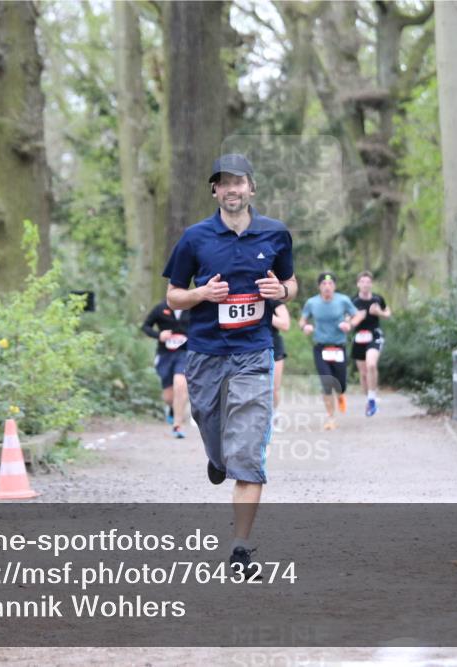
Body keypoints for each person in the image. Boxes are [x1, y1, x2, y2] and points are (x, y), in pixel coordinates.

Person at [163, 153, 297, 570]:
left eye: (239, 182)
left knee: (249, 447)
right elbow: (173, 296)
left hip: (254, 352)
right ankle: (217, 458)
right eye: (224, 183)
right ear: (215, 191)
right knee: (214, 431)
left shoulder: (276, 234)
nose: (232, 189)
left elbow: (290, 282)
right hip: (205, 353)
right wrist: (202, 295)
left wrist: (283, 292)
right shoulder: (195, 237)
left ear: (251, 188)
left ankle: (240, 546)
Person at [299, 272, 363, 431]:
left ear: (334, 286)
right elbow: (303, 320)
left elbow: (358, 315)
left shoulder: (343, 300)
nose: (327, 287)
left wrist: (350, 325)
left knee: (340, 383)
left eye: (330, 284)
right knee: (326, 382)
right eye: (324, 284)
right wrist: (305, 326)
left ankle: (341, 394)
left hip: (338, 347)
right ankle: (330, 417)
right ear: (319, 286)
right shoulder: (312, 303)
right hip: (321, 347)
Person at [141, 299, 192, 438]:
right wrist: (159, 335)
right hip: (165, 355)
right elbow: (145, 327)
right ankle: (172, 408)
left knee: (180, 384)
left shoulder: (192, 307)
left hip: (185, 353)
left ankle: (178, 425)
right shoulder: (160, 308)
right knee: (169, 397)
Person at [351, 271, 392, 417]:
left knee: (371, 365)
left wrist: (379, 312)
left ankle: (372, 399)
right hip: (359, 338)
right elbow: (346, 320)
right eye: (362, 282)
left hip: (374, 335)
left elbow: (388, 313)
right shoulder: (353, 302)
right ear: (358, 284)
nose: (365, 285)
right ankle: (369, 399)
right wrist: (357, 318)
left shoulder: (377, 299)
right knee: (363, 374)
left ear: (371, 284)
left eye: (368, 282)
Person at [269, 300, 291, 409]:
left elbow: (285, 324)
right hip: (248, 346)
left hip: (274, 346)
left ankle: (274, 417)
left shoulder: (273, 298)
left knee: (273, 388)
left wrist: (265, 314)